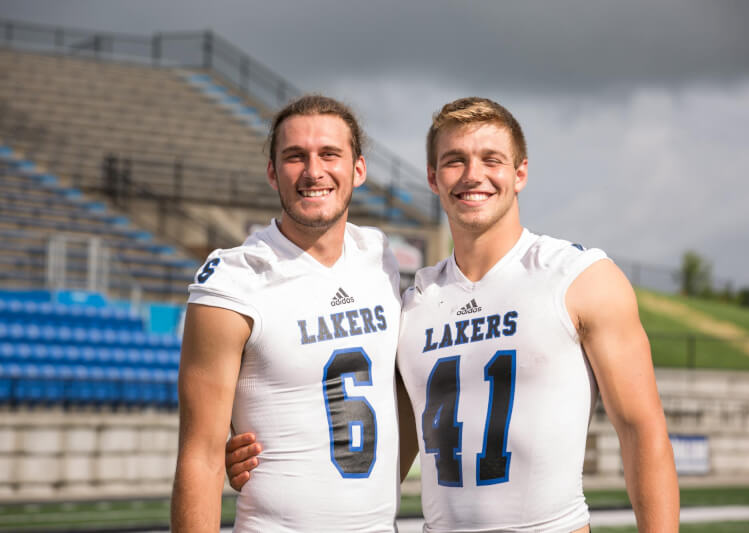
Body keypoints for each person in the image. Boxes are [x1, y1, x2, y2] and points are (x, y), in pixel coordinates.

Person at [227, 97, 680, 532]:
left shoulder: (578, 276)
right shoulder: (414, 302)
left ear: (520, 172)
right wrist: (261, 461)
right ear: (432, 176)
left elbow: (642, 430)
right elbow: (376, 434)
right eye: (455, 160)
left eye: (491, 159)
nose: (473, 175)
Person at [171, 95, 415, 533]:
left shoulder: (379, 257)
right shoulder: (234, 279)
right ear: (272, 172)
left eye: (329, 154)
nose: (313, 171)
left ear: (358, 170)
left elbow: (404, 391)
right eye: (294, 156)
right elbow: (201, 456)